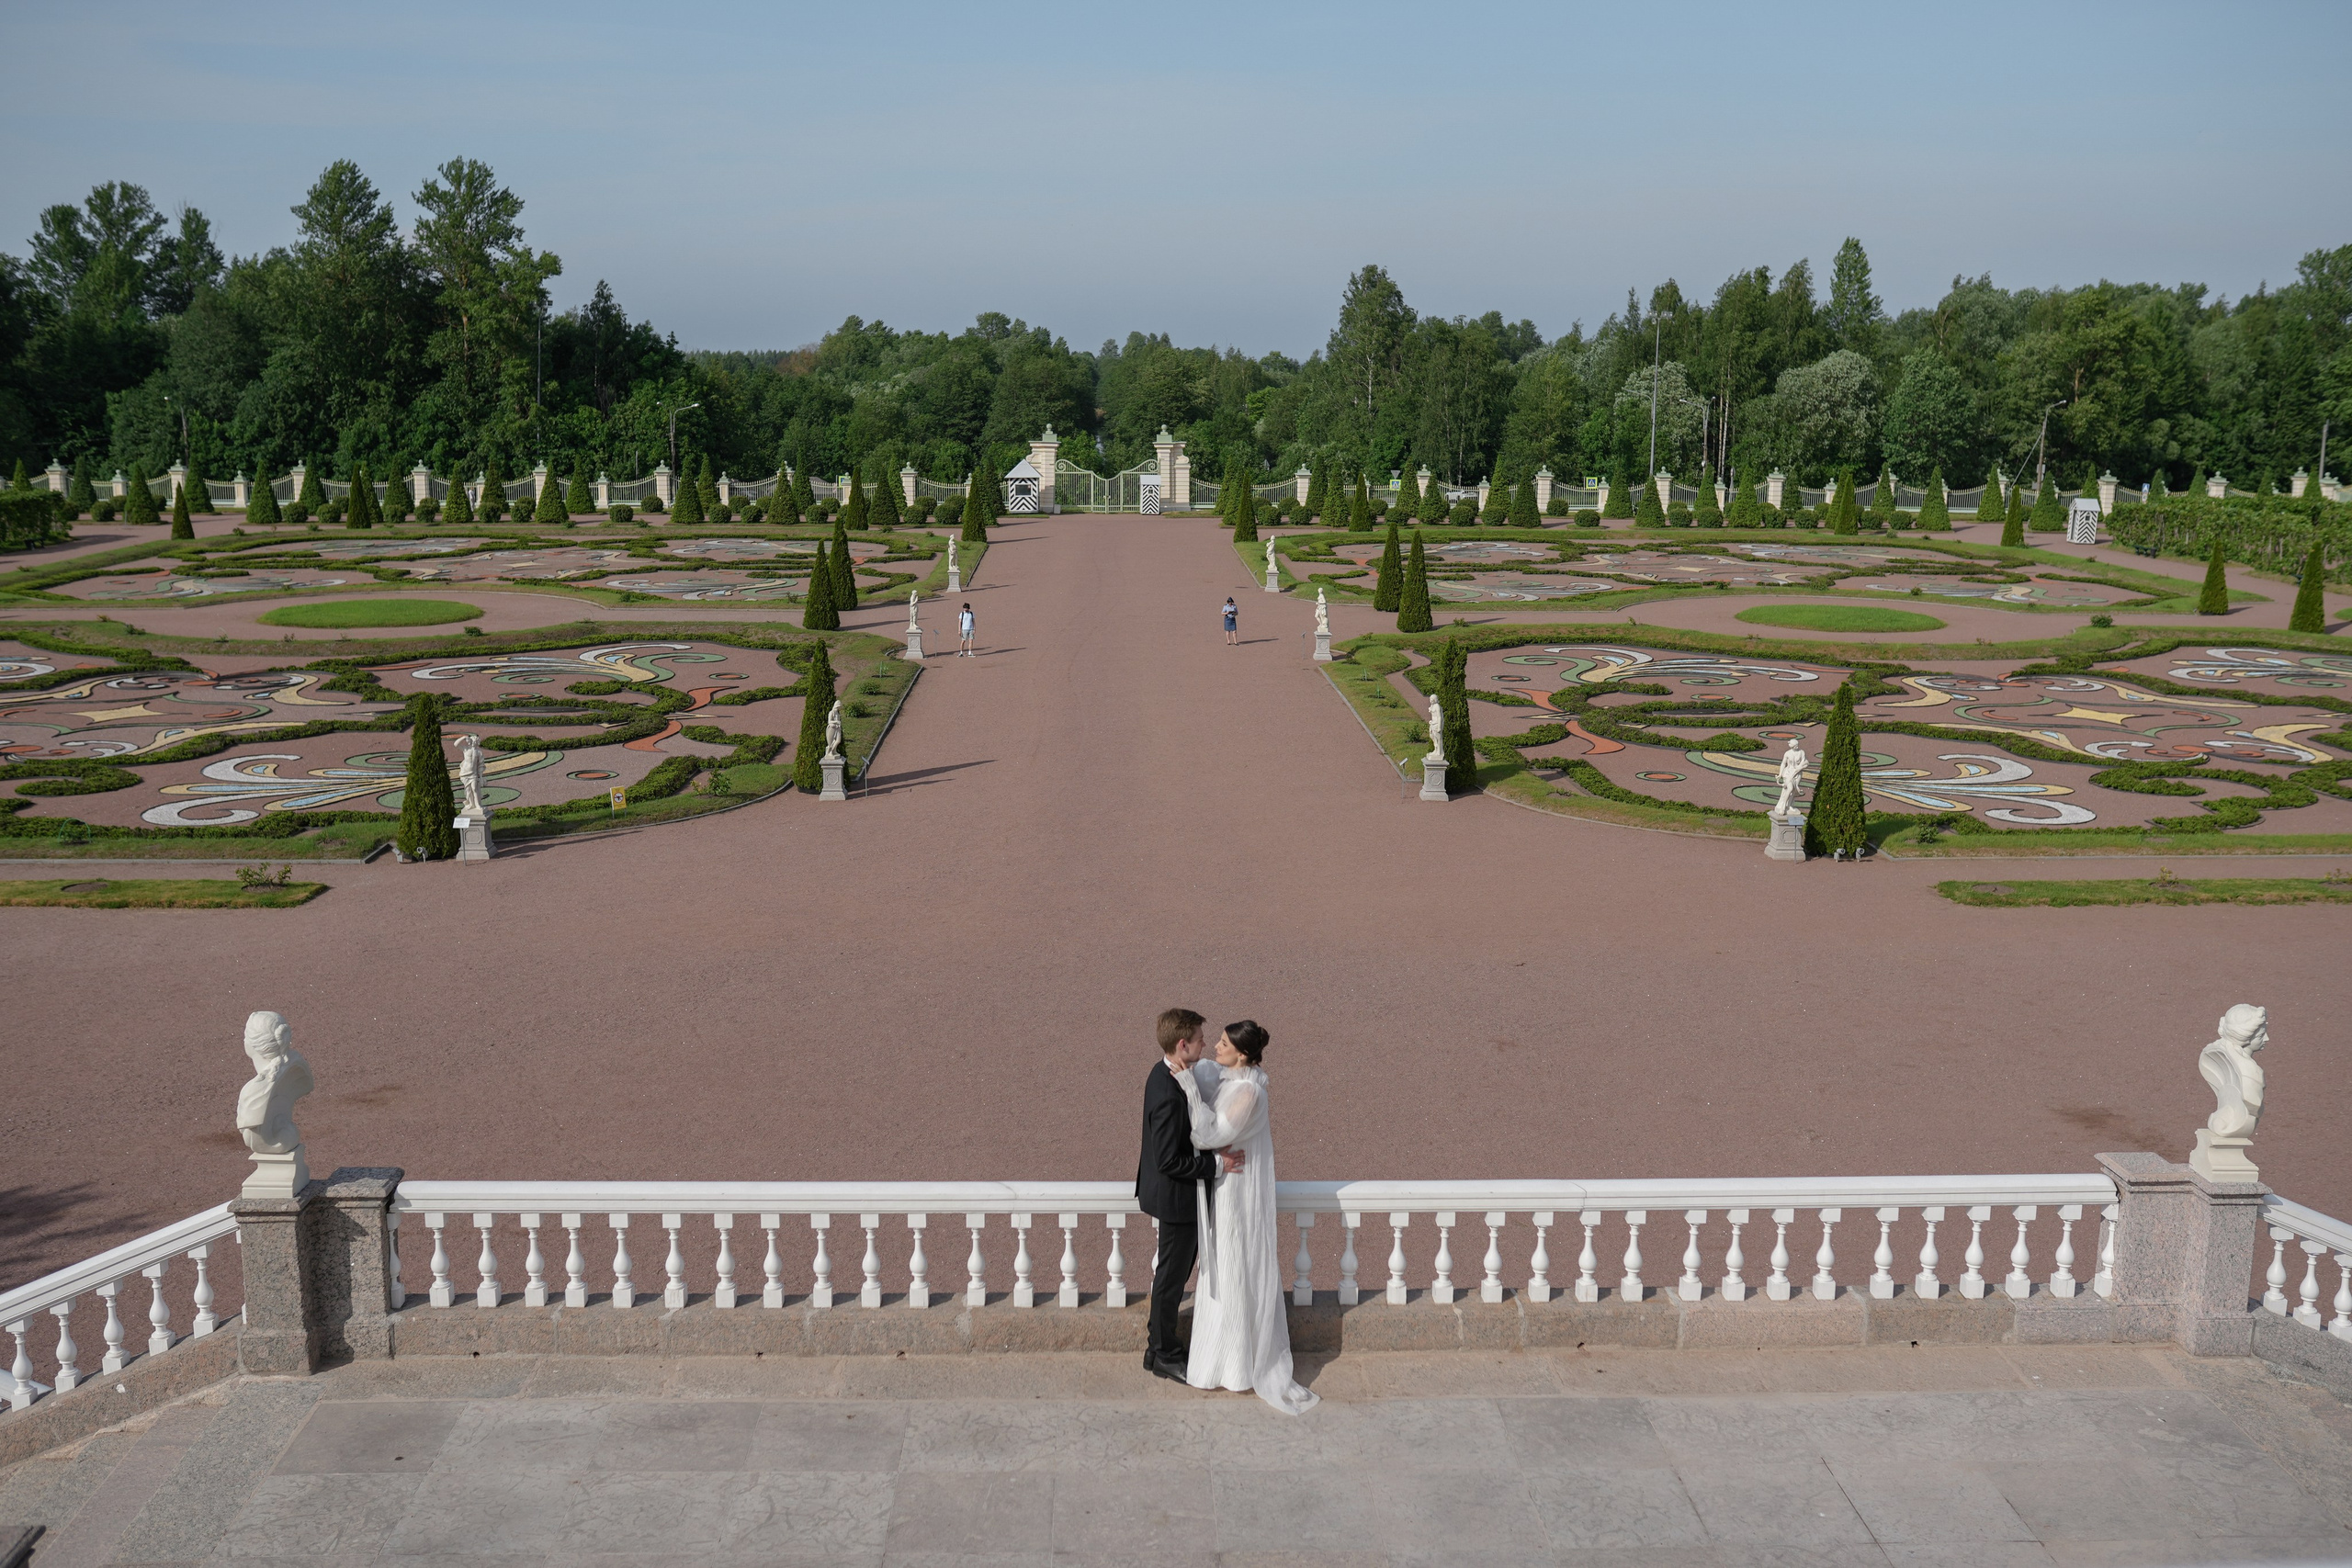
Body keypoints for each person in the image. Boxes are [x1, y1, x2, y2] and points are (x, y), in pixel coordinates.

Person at [1169, 1020, 1318, 1415]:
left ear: (1244, 1054)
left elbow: (1208, 1137)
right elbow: (1199, 1069)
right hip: (1225, 1186)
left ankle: (1235, 1367)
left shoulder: (1249, 1093)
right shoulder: (1229, 1077)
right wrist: (1179, 1056)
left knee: (1234, 1266)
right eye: (1215, 1041)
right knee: (1221, 1266)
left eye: (1223, 1043)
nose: (1216, 1048)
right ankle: (1217, 1360)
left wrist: (1186, 1089)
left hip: (1237, 1195)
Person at [1136, 1009, 1241, 1384]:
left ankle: (1157, 1351)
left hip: (1177, 1198)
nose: (1205, 1044)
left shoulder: (1167, 1073)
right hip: (1177, 1201)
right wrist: (1217, 1165)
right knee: (1171, 1278)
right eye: (1199, 1038)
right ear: (1183, 1045)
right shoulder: (1168, 1090)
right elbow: (1168, 1160)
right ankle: (1163, 1353)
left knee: (1171, 1276)